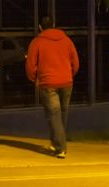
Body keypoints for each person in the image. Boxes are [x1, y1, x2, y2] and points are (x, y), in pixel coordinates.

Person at [25, 15, 79, 159]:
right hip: (67, 82)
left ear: (40, 27)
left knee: (54, 115)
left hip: (48, 83)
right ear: (54, 24)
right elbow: (75, 62)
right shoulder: (67, 40)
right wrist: (69, 74)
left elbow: (30, 65)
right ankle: (56, 143)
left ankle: (61, 148)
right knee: (62, 114)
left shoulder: (37, 42)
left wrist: (34, 79)